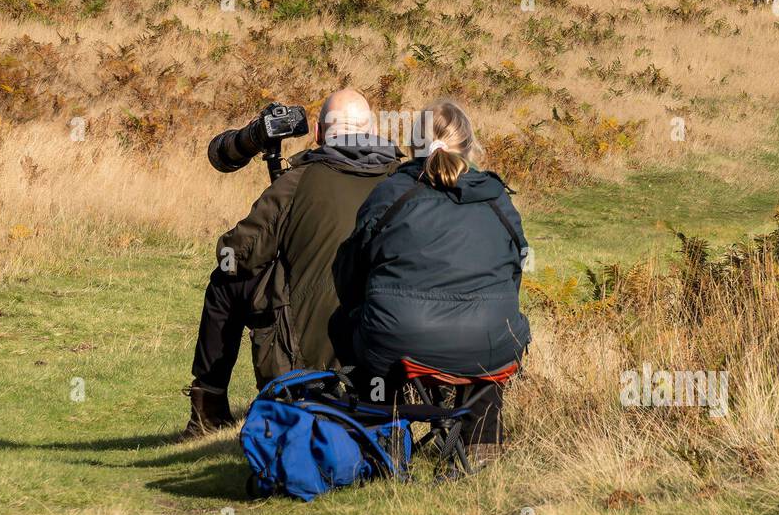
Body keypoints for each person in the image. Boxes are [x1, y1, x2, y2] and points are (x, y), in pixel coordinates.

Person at [182, 89, 402, 438]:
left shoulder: (298, 182)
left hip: (301, 361)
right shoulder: (403, 180)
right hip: (390, 356)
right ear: (373, 129)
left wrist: (285, 245)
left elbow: (236, 254)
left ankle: (208, 409)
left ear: (317, 133)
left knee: (225, 281)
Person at [335, 100, 529, 458]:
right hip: (487, 340)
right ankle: (481, 445)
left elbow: (351, 268)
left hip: (399, 339)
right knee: (494, 331)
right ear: (469, 146)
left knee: (357, 326)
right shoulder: (498, 200)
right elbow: (515, 269)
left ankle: (386, 440)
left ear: (412, 147)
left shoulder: (390, 195)